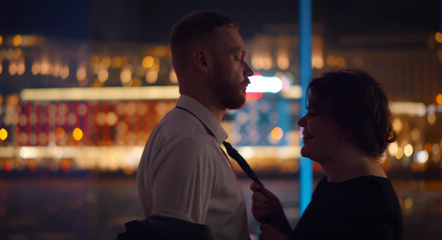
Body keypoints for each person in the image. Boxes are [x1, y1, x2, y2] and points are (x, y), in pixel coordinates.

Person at [136, 10, 254, 240]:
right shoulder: (190, 144)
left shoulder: (186, 133)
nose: (248, 70)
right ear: (203, 61)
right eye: (237, 57)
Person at [251, 69, 403, 240]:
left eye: (313, 114)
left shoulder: (372, 203)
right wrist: (279, 223)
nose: (301, 122)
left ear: (347, 125)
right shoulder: (334, 184)